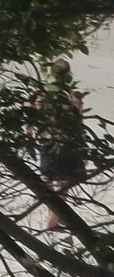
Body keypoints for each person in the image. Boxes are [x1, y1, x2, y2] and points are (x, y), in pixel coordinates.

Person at [37, 58, 89, 231]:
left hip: (47, 140)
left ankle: (52, 218)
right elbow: (78, 123)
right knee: (64, 184)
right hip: (67, 142)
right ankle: (52, 220)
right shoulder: (73, 97)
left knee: (48, 180)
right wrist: (83, 149)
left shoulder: (42, 94)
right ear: (68, 75)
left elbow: (32, 116)